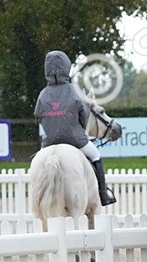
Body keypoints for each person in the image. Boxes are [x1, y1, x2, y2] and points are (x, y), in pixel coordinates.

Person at [34, 51, 116, 206]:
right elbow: (84, 115)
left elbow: (38, 116)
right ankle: (103, 194)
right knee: (95, 155)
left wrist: (52, 125)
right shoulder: (74, 90)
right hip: (75, 139)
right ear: (66, 68)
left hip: (49, 141)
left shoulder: (43, 94)